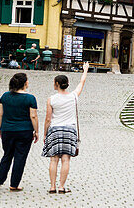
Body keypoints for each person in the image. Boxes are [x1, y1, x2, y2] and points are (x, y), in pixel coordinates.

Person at [43, 62, 87, 194]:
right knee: (66, 159)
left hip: (55, 129)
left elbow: (48, 119)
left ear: (56, 84)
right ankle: (62, 187)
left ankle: (52, 186)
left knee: (54, 159)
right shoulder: (73, 96)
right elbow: (82, 82)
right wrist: (85, 70)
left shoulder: (51, 99)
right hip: (70, 130)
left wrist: (45, 134)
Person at [0, 72, 38, 191]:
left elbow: (0, 113)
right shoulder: (30, 98)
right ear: (24, 83)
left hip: (7, 130)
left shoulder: (5, 96)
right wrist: (36, 131)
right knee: (20, 157)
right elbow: (33, 116)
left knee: (7, 155)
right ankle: (14, 184)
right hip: (24, 131)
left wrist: (0, 127)